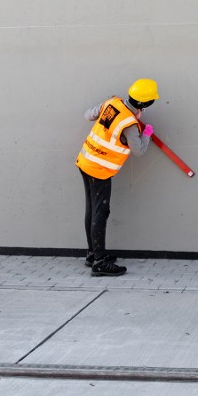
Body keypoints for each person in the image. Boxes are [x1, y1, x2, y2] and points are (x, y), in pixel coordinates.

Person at [75, 79, 159, 277]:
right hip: (99, 170)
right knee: (100, 212)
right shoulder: (130, 126)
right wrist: (146, 134)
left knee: (91, 209)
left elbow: (89, 115)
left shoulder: (112, 103)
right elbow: (138, 151)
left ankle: (93, 254)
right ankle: (100, 262)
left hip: (85, 161)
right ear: (145, 104)